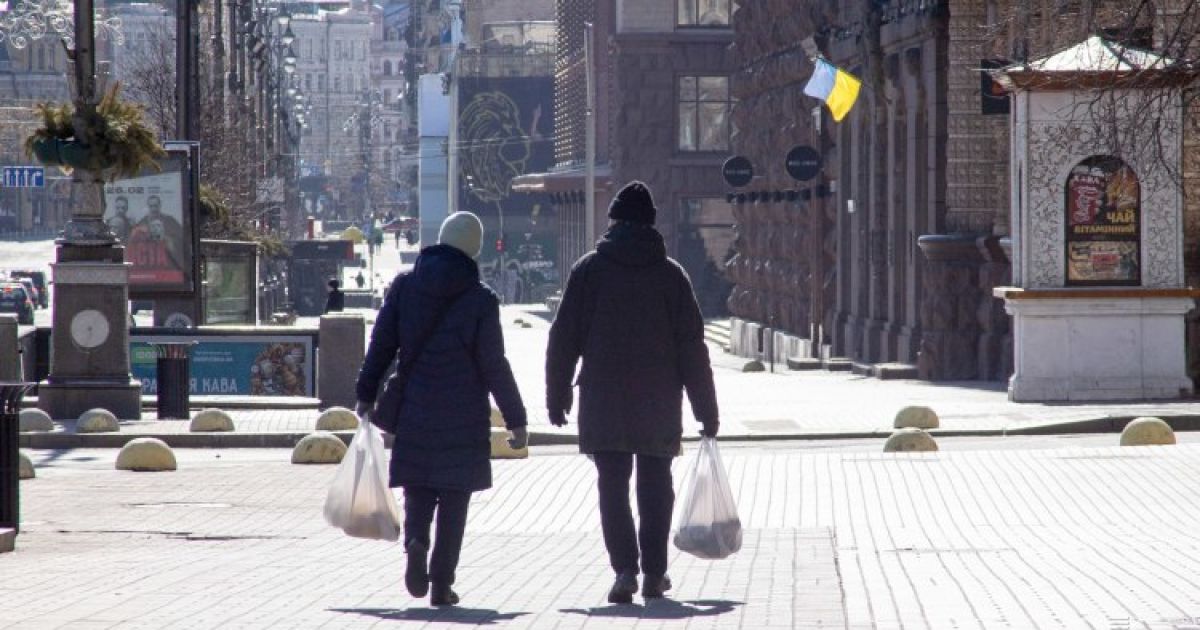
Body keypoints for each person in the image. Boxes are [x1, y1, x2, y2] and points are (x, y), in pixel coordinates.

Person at [545, 180, 719, 604]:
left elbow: (563, 337)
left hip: (604, 399)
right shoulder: (671, 275)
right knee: (656, 486)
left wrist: (557, 394)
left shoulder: (589, 270)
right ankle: (655, 574)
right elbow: (692, 348)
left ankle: (625, 569)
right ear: (651, 224)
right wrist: (706, 410)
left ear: (614, 221)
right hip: (658, 401)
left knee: (612, 485)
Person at [355, 211, 527, 607]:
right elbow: (493, 363)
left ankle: (416, 540)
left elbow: (382, 344)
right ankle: (441, 583)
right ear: (474, 249)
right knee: (454, 499)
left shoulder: (405, 287)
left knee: (419, 487)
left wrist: (366, 393)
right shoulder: (481, 300)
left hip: (415, 407)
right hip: (464, 415)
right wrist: (516, 419)